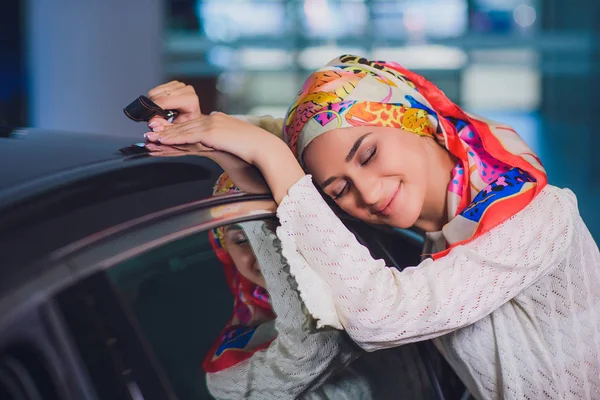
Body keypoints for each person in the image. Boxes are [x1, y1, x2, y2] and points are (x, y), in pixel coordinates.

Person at [143, 55, 600, 399]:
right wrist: (222, 145)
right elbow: (304, 194)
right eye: (338, 190)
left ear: (422, 123)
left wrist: (269, 154)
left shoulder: (539, 217)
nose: (364, 192)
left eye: (368, 154)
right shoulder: (433, 242)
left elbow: (381, 317)